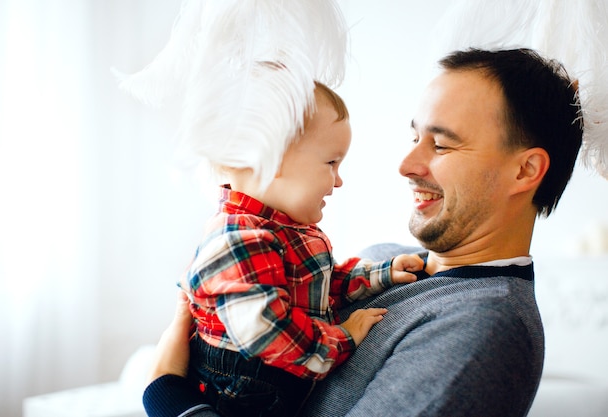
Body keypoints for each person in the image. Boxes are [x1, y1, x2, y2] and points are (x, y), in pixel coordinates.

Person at [142, 47, 583, 417]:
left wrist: (165, 392)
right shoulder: (385, 259)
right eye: (414, 138)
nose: (406, 165)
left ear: (525, 170)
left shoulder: (483, 329)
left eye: (442, 144)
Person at [179, 80, 424, 417]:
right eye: (331, 163)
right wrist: (343, 337)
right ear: (272, 160)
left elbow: (320, 286)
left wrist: (383, 273)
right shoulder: (237, 239)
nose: (338, 181)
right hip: (244, 395)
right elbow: (268, 330)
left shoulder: (286, 229)